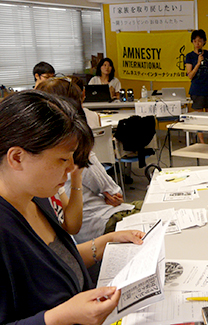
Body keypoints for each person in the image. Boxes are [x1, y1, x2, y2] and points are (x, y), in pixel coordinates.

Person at [0, 90, 145, 324]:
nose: (70, 170)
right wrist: (60, 317)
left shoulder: (37, 196)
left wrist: (106, 241)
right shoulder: (7, 225)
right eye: (62, 160)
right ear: (17, 158)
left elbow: (52, 261)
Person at [36, 77, 142, 244]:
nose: (69, 167)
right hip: (100, 221)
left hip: (90, 229)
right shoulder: (72, 152)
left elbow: (72, 227)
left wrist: (78, 180)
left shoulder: (53, 171)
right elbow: (115, 194)